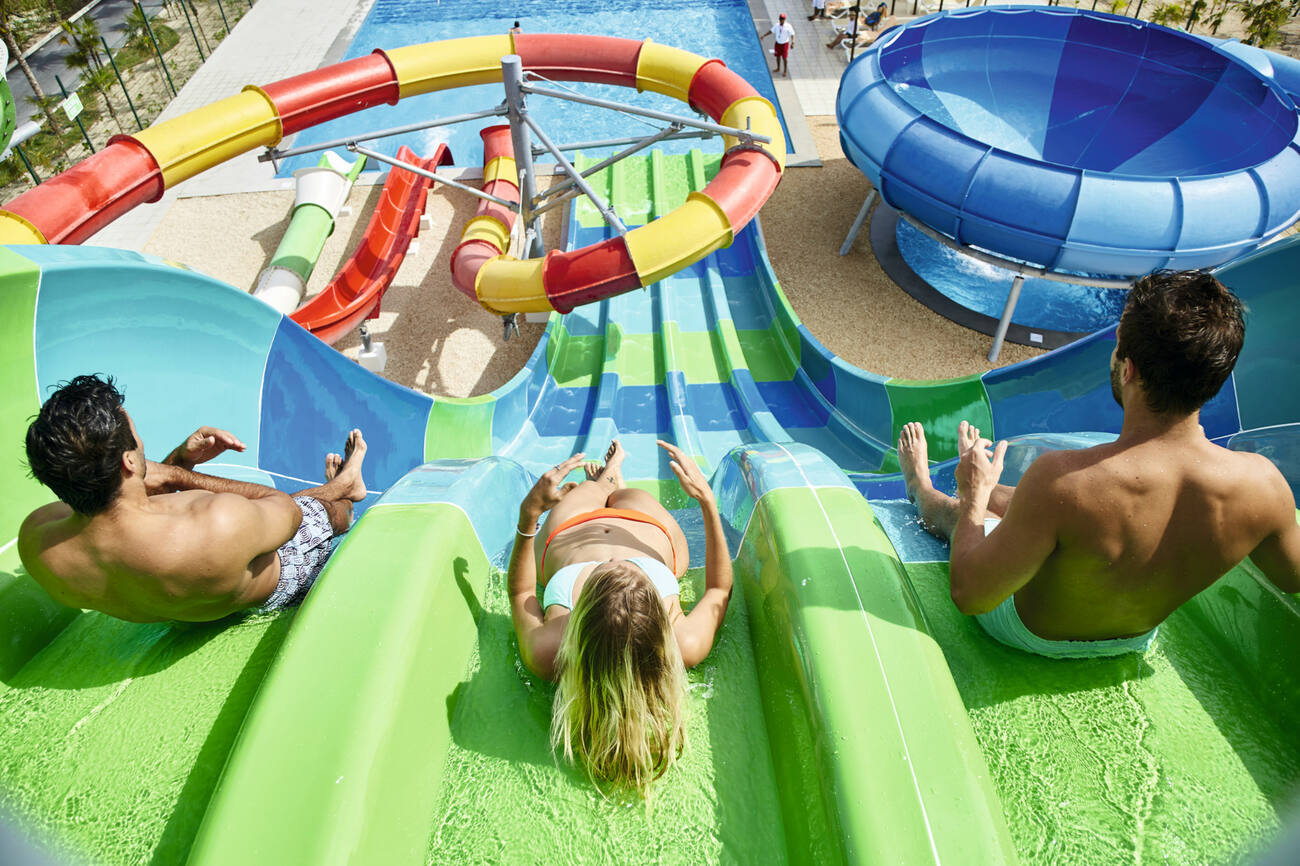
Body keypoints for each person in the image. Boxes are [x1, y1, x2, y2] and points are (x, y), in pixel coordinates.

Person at [897, 270, 1300, 659]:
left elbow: (971, 595)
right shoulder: (1264, 486)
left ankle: (923, 489)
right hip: (1133, 638)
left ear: (1128, 369)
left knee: (966, 513)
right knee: (1036, 507)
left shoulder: (1063, 479)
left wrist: (972, 494)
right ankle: (986, 493)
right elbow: (1292, 577)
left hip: (1027, 633)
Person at [18, 375, 368, 623]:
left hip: (187, 605)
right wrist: (177, 475)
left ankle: (343, 486)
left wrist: (178, 459)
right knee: (325, 512)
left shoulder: (38, 541)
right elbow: (286, 509)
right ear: (128, 462)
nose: (140, 443)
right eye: (135, 437)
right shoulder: (215, 520)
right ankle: (348, 490)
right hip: (276, 585)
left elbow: (135, 520)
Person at [507, 440, 734, 796]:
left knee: (589, 489)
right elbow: (719, 591)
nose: (614, 562)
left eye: (603, 574)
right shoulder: (683, 643)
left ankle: (606, 479)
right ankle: (614, 478)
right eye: (626, 570)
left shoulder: (550, 650)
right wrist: (707, 502)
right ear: (658, 625)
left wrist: (529, 516)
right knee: (626, 494)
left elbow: (522, 595)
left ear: (581, 620)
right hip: (647, 527)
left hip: (572, 527)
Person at [761, 13, 795, 77]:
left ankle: (785, 70)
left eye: (782, 19)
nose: (781, 20)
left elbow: (792, 34)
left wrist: (793, 42)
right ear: (779, 19)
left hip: (785, 44)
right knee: (777, 56)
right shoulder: (777, 25)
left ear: (784, 19)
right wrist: (764, 35)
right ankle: (778, 68)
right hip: (778, 43)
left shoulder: (788, 26)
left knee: (784, 58)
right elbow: (771, 31)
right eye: (780, 19)